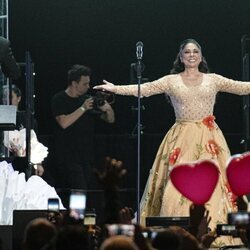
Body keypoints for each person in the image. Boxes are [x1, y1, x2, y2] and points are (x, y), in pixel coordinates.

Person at [94, 38, 250, 246]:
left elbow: (242, 87)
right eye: (187, 52)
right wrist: (116, 89)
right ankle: (175, 236)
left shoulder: (213, 79)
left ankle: (213, 232)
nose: (192, 55)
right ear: (181, 57)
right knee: (174, 188)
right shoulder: (171, 81)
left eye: (195, 51)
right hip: (180, 137)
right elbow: (144, 89)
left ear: (201, 56)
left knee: (216, 185)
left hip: (209, 138)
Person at [51, 64, 115, 191]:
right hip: (67, 157)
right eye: (85, 84)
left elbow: (110, 120)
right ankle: (77, 212)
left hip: (86, 157)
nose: (88, 87)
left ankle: (77, 211)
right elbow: (64, 123)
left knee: (83, 191)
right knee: (79, 191)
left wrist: (108, 109)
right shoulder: (59, 99)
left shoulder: (88, 100)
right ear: (74, 84)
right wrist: (83, 108)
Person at [9, 84, 45, 176]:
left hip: (22, 163)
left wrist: (38, 163)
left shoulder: (26, 118)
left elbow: (34, 141)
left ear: (18, 98)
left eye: (11, 97)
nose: (7, 100)